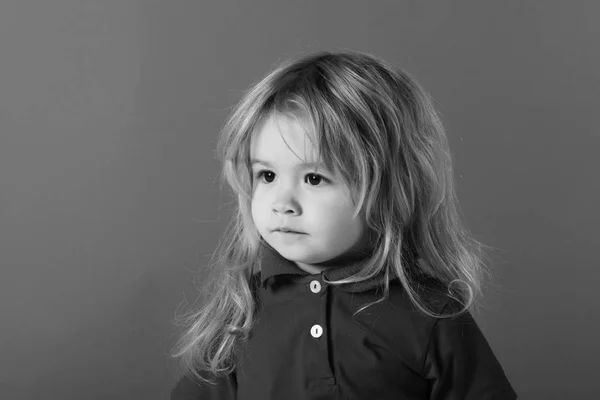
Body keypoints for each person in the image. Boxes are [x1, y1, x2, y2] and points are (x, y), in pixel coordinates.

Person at [170, 50, 517, 399]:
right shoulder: (243, 308)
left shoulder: (430, 313)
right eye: (268, 175)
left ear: (389, 189)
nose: (282, 204)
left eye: (315, 178)